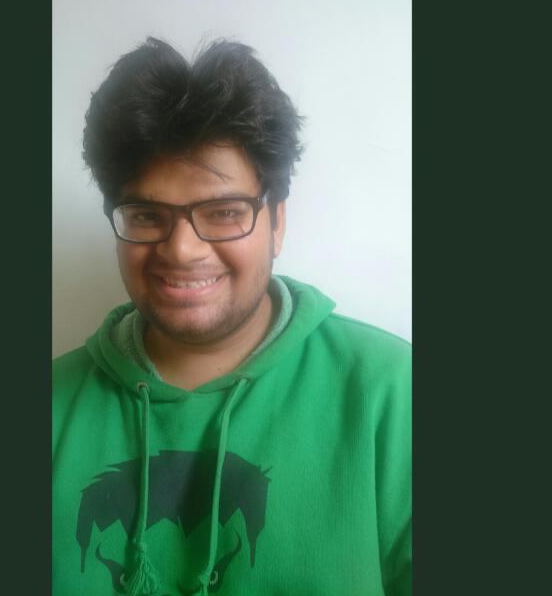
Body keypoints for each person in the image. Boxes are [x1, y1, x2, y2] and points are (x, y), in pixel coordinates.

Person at [52, 37, 411, 596]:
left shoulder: (393, 391)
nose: (181, 249)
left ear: (278, 223)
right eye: (146, 214)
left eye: (223, 212)